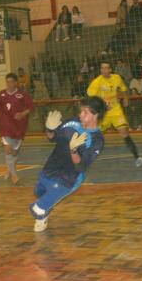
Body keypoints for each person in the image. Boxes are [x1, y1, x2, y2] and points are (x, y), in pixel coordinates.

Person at [29, 96, 106, 232]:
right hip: (49, 169)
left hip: (68, 178)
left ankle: (42, 211)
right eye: (81, 111)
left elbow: (81, 166)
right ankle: (44, 212)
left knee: (38, 208)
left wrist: (73, 150)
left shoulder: (97, 140)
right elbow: (52, 138)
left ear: (96, 115)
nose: (80, 115)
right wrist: (49, 129)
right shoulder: (72, 122)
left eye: (85, 112)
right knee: (39, 194)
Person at [87, 61, 142, 167]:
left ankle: (137, 158)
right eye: (102, 68)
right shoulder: (96, 82)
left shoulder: (117, 78)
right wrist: (101, 105)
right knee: (94, 136)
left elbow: (123, 89)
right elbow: (90, 97)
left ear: (110, 69)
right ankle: (83, 157)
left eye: (107, 68)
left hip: (116, 111)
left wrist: (125, 98)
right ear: (100, 70)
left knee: (124, 132)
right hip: (103, 113)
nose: (104, 70)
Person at [0, 73, 34, 185]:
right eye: (7, 82)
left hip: (19, 128)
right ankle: (14, 175)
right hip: (5, 126)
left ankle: (9, 168)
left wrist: (22, 114)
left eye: (11, 82)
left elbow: (31, 108)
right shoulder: (1, 94)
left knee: (15, 152)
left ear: (16, 83)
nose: (9, 84)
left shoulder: (22, 94)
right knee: (8, 149)